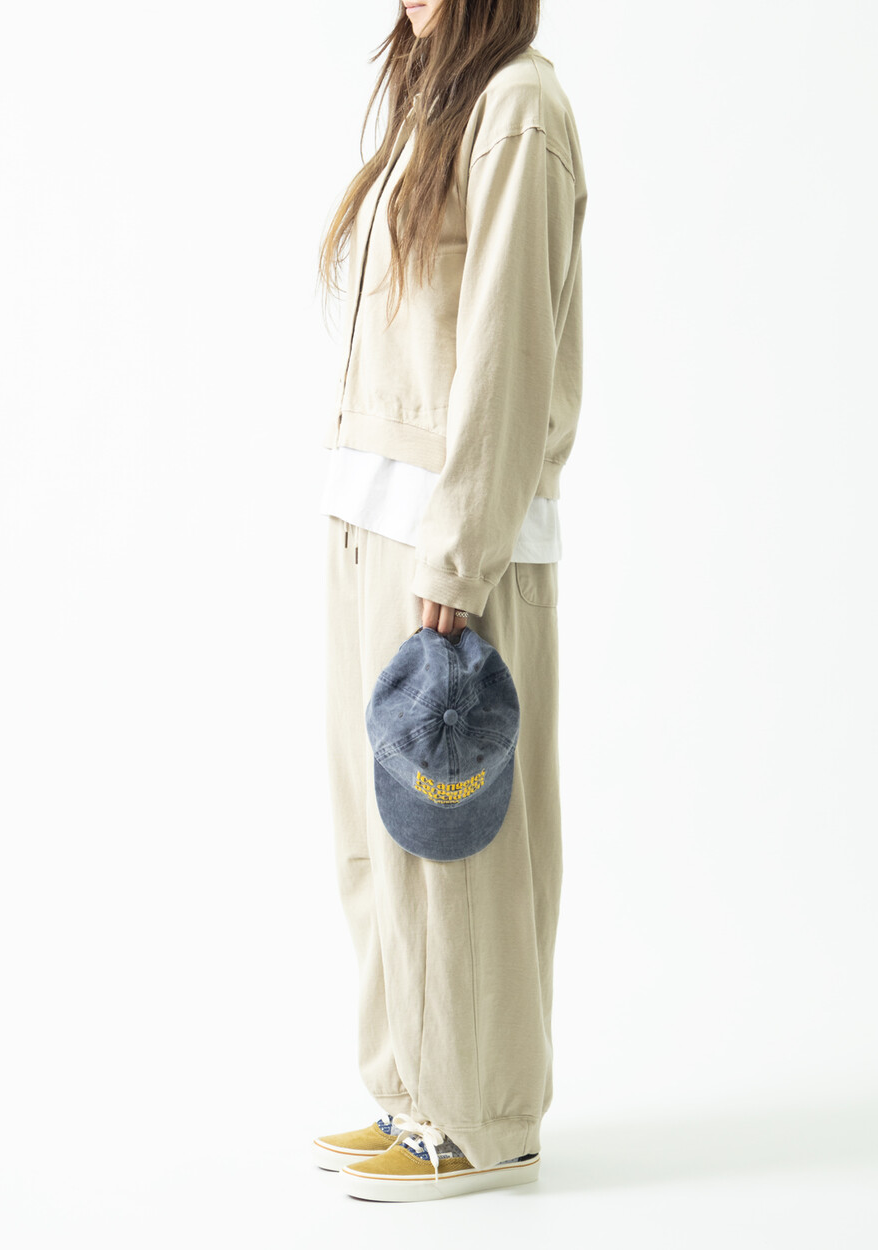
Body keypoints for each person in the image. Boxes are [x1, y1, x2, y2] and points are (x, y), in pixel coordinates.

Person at [313, 0, 586, 1202]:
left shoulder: (518, 106)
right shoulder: (436, 101)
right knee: (381, 836)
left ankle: (481, 1120)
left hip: (447, 548)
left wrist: (459, 555)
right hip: (373, 526)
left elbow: (507, 350)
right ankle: (414, 1093)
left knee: (460, 841)